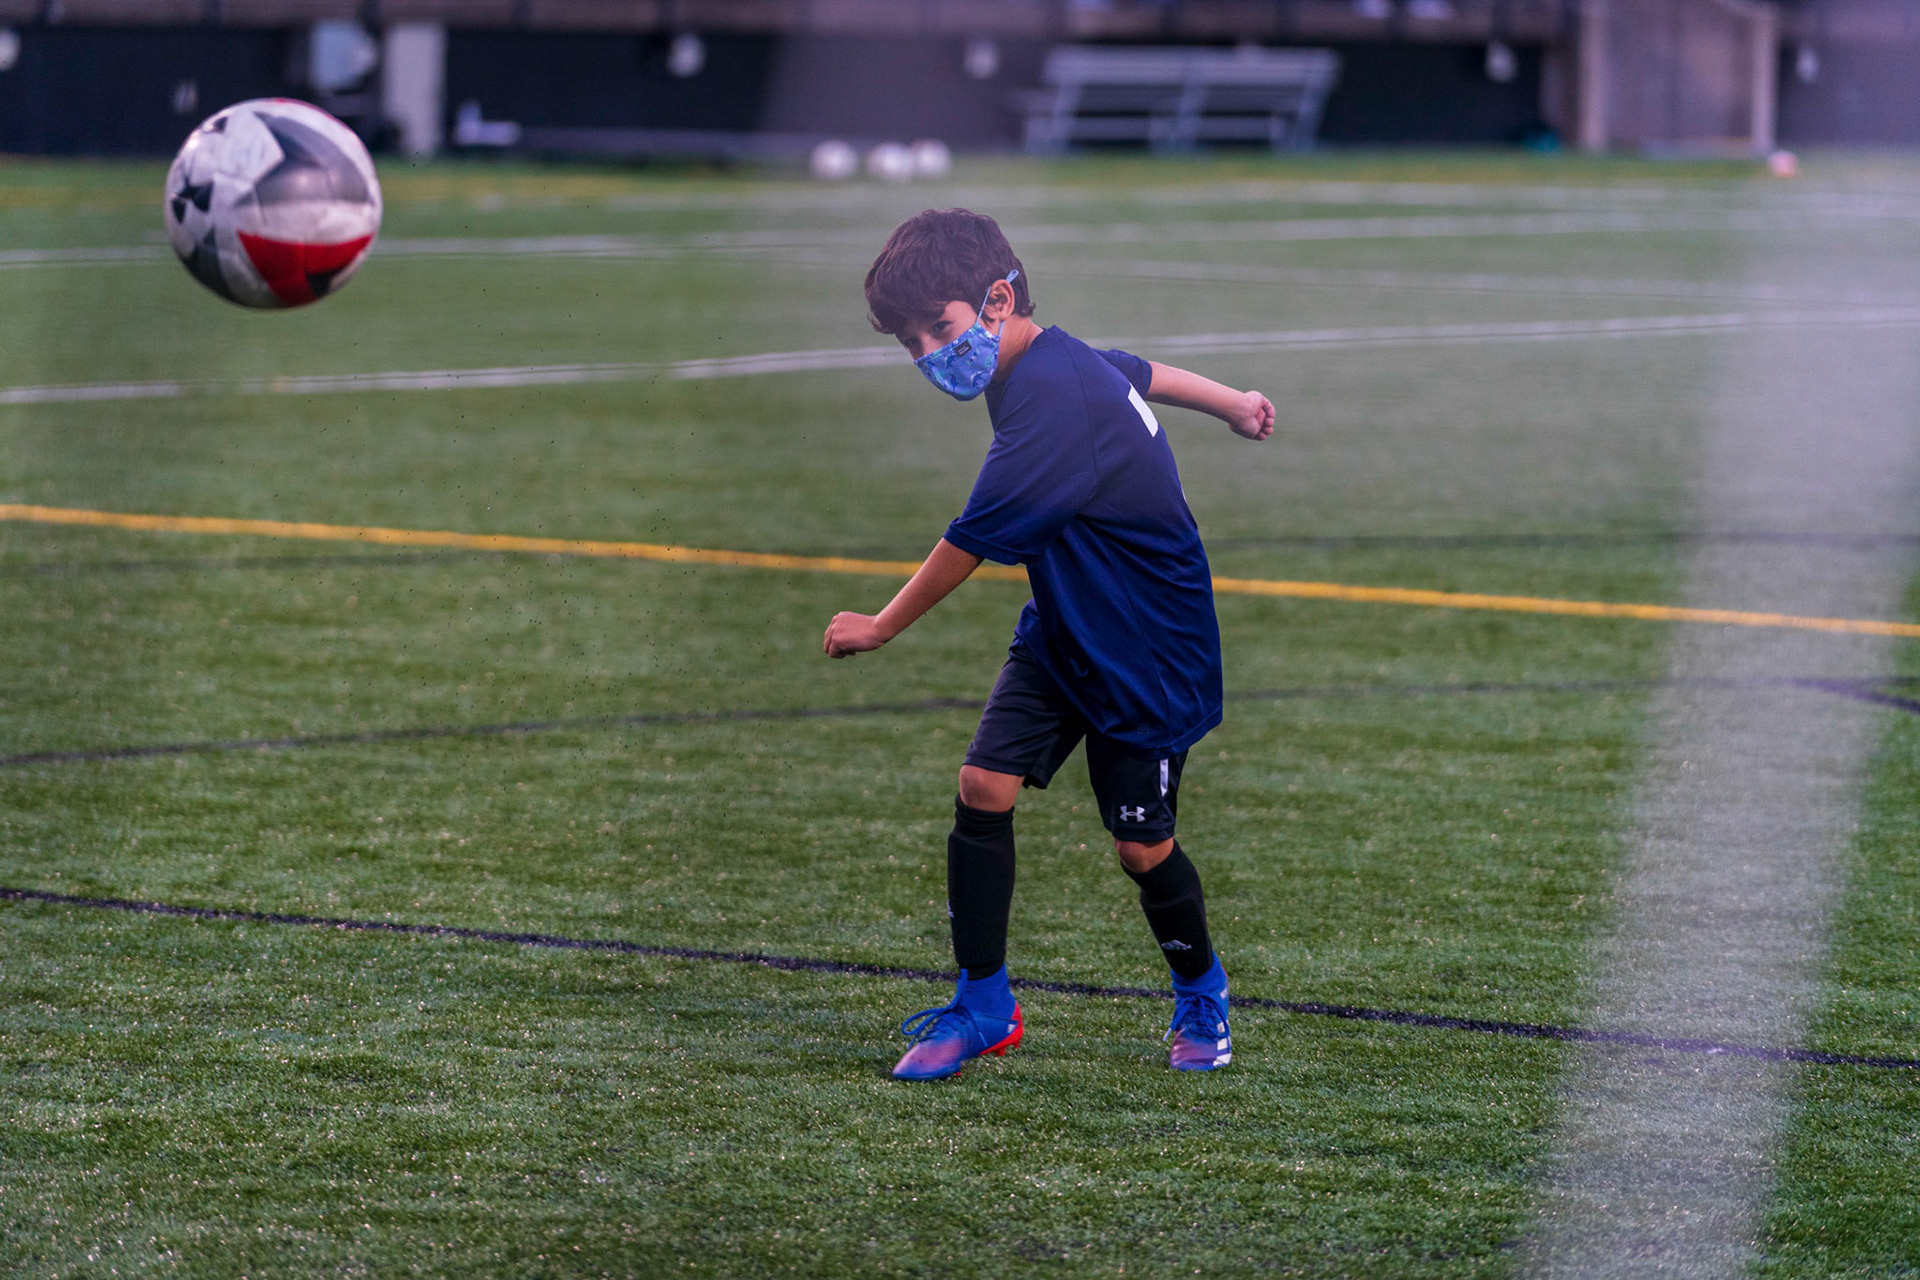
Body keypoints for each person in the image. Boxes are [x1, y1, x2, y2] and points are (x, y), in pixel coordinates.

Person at [823, 208, 1274, 1081]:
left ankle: (1203, 988)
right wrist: (1232, 404)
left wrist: (879, 625)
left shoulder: (1049, 404)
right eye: (909, 341)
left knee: (1140, 847)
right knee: (982, 785)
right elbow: (1136, 370)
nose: (926, 355)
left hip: (1150, 650)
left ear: (998, 300)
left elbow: (971, 538)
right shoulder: (1051, 359)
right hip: (1067, 621)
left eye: (938, 329)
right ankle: (984, 1005)